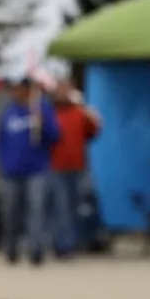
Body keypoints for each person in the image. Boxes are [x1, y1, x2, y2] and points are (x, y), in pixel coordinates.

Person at [0, 76, 60, 265]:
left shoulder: (41, 109)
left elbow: (55, 137)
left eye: (19, 89)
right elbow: (0, 140)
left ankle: (36, 249)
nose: (15, 93)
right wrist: (4, 162)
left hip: (36, 170)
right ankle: (11, 248)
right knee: (10, 211)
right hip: (12, 171)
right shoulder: (8, 113)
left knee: (36, 209)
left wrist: (44, 124)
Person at [49, 81, 102, 258]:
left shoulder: (80, 113)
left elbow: (93, 131)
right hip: (56, 168)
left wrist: (88, 111)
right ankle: (63, 245)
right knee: (61, 207)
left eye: (67, 90)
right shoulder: (51, 114)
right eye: (60, 90)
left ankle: (70, 242)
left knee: (74, 207)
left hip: (77, 167)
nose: (63, 94)